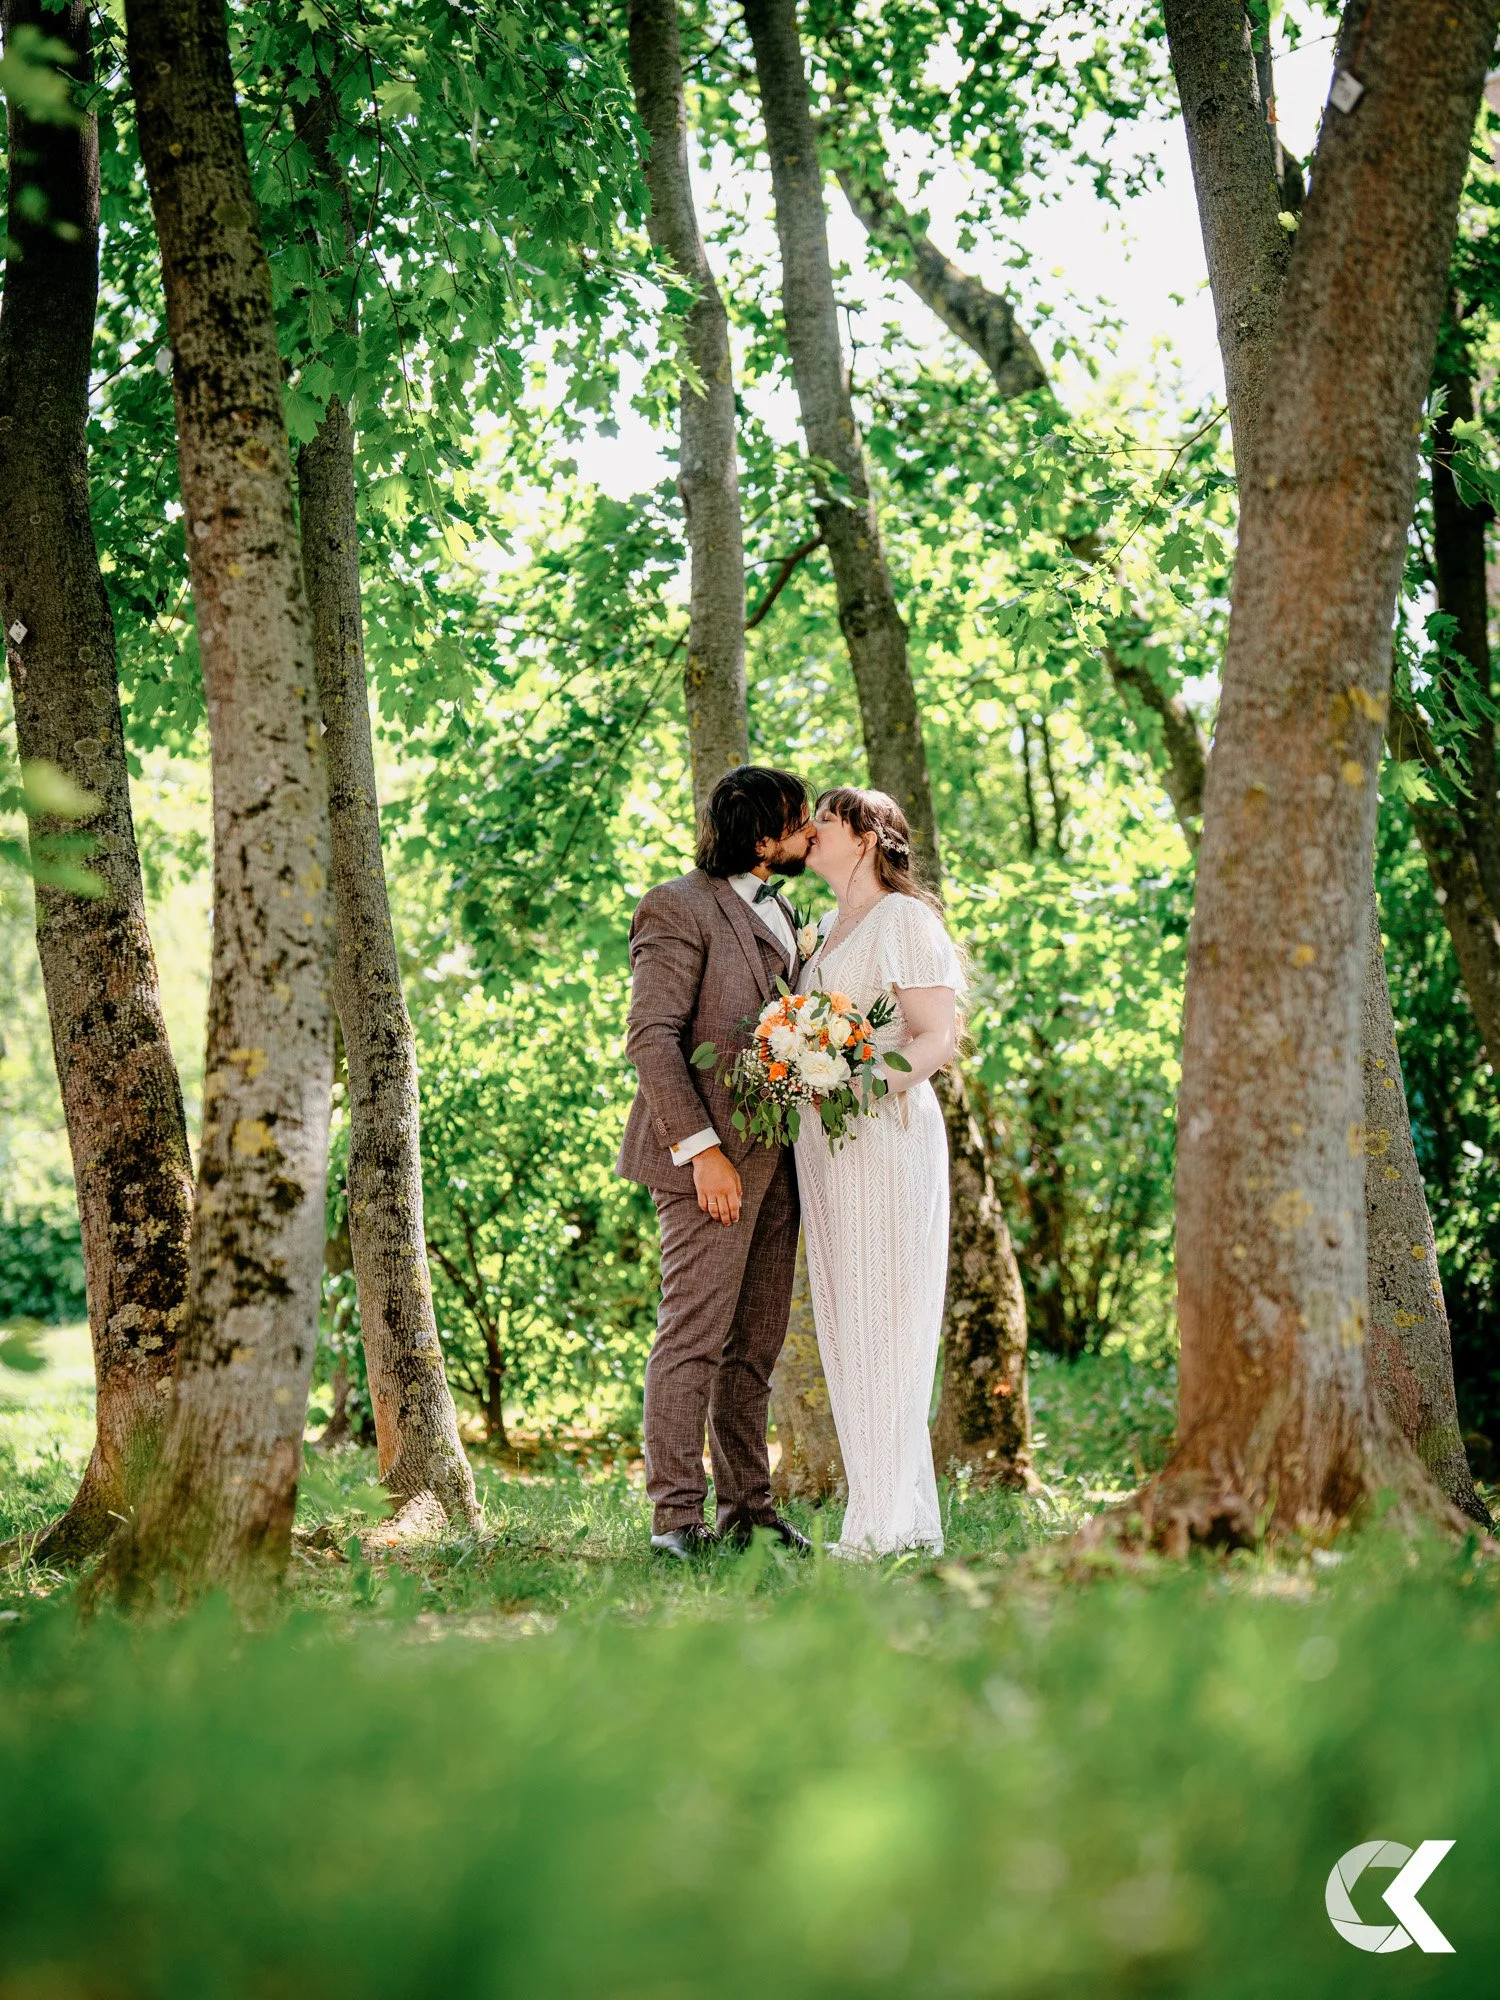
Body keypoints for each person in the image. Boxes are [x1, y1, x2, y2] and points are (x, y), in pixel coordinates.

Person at [617, 765, 816, 1560]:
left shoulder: (788, 908)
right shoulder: (677, 905)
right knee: (693, 1339)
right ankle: (675, 1521)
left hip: (782, 1164)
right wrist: (701, 1151)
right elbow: (651, 1036)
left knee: (756, 1346)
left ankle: (750, 1514)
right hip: (709, 1165)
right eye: (799, 822)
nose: (810, 834)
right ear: (764, 838)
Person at [795, 787, 965, 1557]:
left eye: (822, 821)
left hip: (887, 1137)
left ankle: (889, 1527)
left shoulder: (905, 919)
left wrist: (861, 1085)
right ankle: (880, 1518)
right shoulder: (824, 928)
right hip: (825, 1150)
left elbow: (937, 1038)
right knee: (847, 1321)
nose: (808, 831)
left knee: (889, 1323)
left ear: (864, 836)